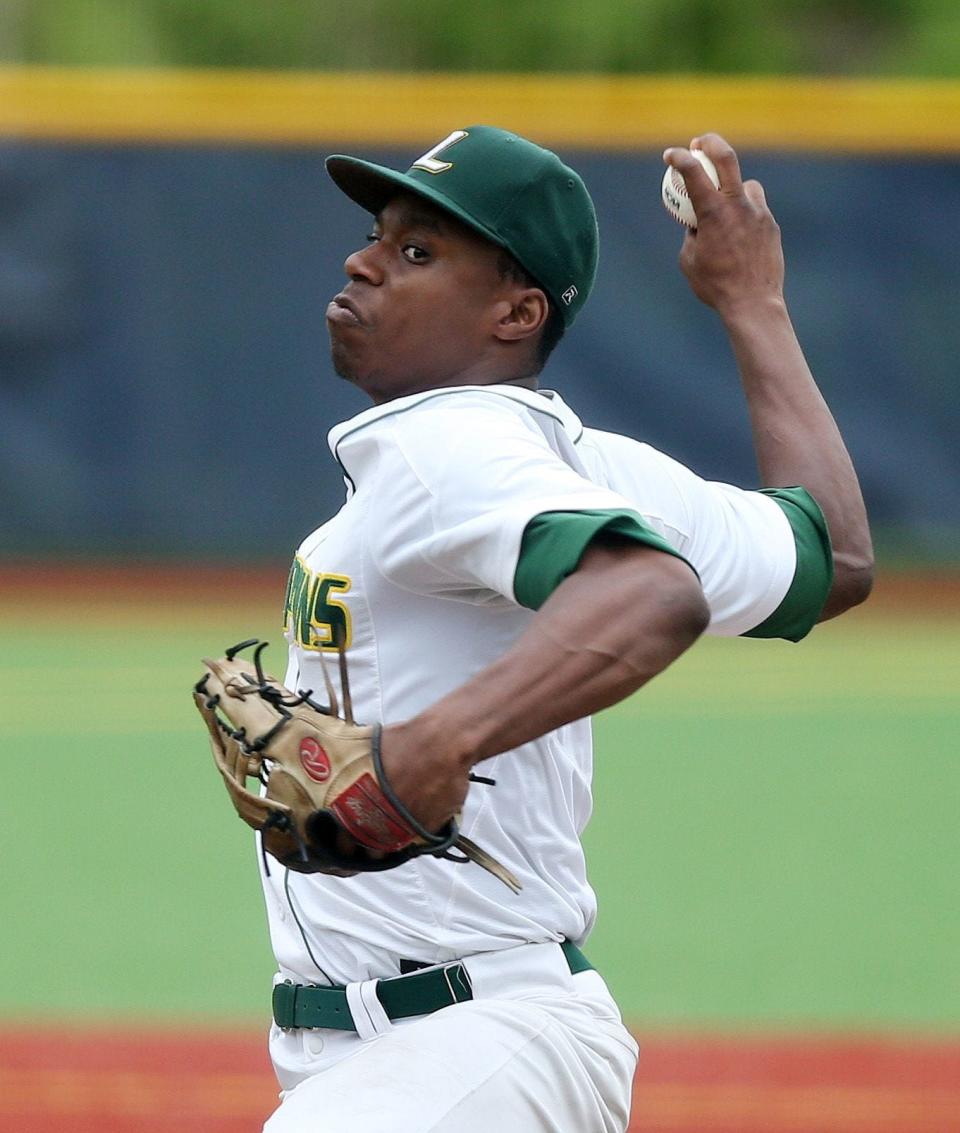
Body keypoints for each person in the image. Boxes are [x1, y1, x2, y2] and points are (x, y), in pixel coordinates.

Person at [262, 126, 873, 1133]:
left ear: (517, 312)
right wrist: (752, 304)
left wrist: (439, 738)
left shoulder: (446, 445)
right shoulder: (575, 463)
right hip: (468, 1047)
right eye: (378, 234)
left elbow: (650, 591)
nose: (361, 260)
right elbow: (834, 557)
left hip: (465, 1043)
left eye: (417, 251)